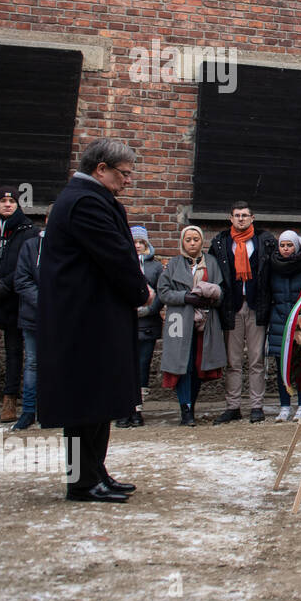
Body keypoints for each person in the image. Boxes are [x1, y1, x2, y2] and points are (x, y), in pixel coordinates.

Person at [37, 139, 151, 503]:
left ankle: (95, 472)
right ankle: (82, 482)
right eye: (124, 174)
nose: (127, 181)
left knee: (98, 399)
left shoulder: (89, 199)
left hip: (94, 317)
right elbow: (116, 256)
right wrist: (142, 291)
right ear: (101, 168)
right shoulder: (85, 202)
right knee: (83, 403)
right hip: (84, 320)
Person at [209, 202, 275, 424]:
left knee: (256, 359)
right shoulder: (221, 242)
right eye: (237, 215)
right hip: (231, 305)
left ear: (252, 218)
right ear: (230, 218)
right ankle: (233, 406)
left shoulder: (264, 240)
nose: (241, 219)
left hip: (257, 304)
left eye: (245, 215)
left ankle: (256, 405)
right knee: (233, 360)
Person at [0, 187, 37, 422]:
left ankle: (10, 399)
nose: (7, 204)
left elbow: (26, 265)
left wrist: (5, 285)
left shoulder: (27, 232)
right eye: (2, 201)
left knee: (14, 351)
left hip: (12, 300)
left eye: (12, 201)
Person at [158, 226, 226, 427]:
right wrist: (184, 297)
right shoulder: (173, 265)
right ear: (183, 242)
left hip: (205, 321)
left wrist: (210, 297)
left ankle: (191, 404)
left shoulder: (211, 263)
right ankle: (185, 408)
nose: (192, 243)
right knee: (182, 365)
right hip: (179, 320)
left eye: (196, 239)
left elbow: (221, 292)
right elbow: (163, 291)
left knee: (198, 366)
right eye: (188, 239)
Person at [119, 225, 163, 428]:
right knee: (123, 367)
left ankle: (137, 408)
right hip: (124, 324)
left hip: (147, 325)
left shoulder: (155, 267)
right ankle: (123, 408)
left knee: (142, 367)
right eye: (134, 242)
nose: (137, 246)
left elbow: (161, 293)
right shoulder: (122, 263)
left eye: (141, 242)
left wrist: (147, 310)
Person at [266, 230, 301, 421]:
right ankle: (284, 405)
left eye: (289, 245)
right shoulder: (272, 265)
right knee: (282, 366)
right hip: (279, 321)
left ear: (296, 246)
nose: (285, 249)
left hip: (299, 321)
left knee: (300, 366)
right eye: (282, 245)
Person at [11, 208, 47, 431]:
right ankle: (28, 410)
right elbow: (22, 280)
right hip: (34, 316)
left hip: (63, 319)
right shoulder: (31, 246)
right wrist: (46, 303)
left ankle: (50, 409)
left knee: (59, 365)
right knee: (33, 363)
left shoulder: (71, 247)